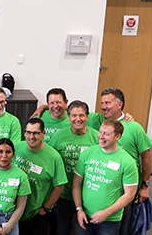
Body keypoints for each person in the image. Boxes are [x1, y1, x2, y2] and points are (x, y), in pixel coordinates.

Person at [72, 119, 139, 235]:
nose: (101, 137)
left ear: (117, 137)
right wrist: (79, 209)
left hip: (109, 221)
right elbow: (76, 183)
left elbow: (129, 194)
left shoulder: (127, 161)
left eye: (106, 134)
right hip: (85, 216)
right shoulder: (88, 153)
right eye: (100, 132)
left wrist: (106, 213)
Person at [49, 100, 99, 235]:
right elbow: (51, 164)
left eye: (82, 115)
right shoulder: (58, 137)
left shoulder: (96, 137)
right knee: (62, 230)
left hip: (88, 194)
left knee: (84, 230)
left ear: (87, 117)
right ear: (68, 117)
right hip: (64, 194)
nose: (78, 119)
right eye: (74, 116)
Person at [97, 88, 152, 203]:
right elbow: (74, 111)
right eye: (102, 103)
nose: (103, 107)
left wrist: (145, 186)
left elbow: (146, 157)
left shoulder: (134, 127)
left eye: (107, 103)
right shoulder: (97, 121)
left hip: (126, 189)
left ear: (120, 104)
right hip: (102, 187)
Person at [13, 118, 68, 235]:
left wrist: (45, 208)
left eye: (35, 133)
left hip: (36, 212)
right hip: (13, 210)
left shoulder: (54, 157)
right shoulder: (16, 148)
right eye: (28, 132)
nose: (31, 136)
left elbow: (59, 186)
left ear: (43, 133)